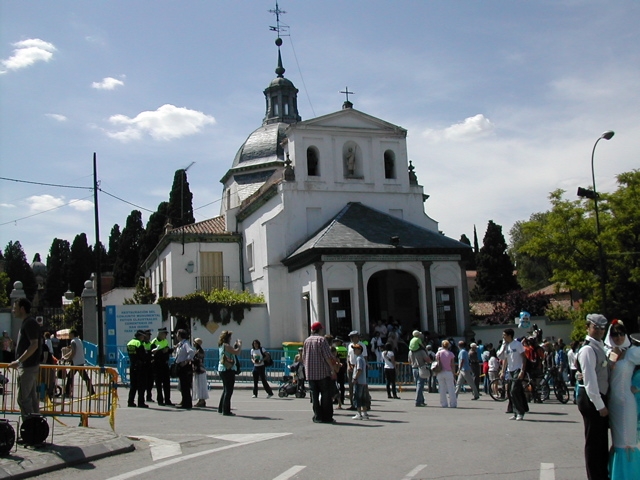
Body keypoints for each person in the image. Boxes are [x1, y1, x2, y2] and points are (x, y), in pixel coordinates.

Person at [576, 313, 609, 480]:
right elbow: (590, 380)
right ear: (587, 327)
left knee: (601, 440)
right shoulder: (588, 349)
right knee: (594, 441)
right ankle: (595, 476)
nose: (599, 331)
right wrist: (600, 405)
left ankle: (602, 474)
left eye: (602, 328)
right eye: (596, 327)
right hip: (592, 400)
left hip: (598, 397)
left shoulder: (601, 345)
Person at [604, 321, 639, 479]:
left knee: (626, 442)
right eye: (614, 334)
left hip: (626, 402)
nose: (618, 337)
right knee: (617, 441)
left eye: (621, 333)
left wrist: (636, 384)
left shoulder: (632, 352)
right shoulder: (606, 352)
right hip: (612, 403)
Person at [8, 298, 41, 418]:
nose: (13, 311)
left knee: (23, 399)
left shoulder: (29, 323)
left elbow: (34, 344)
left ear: (22, 309)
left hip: (27, 367)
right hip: (29, 366)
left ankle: (29, 427)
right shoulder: (28, 322)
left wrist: (18, 361)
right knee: (31, 399)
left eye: (15, 308)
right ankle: (35, 428)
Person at [302, 322, 336, 424]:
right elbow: (327, 357)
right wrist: (332, 370)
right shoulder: (322, 340)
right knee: (326, 395)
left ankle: (318, 416)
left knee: (315, 396)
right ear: (319, 330)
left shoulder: (306, 341)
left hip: (310, 373)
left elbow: (303, 357)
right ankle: (327, 417)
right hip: (322, 372)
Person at [498, 328, 528, 421]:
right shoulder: (507, 346)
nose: (503, 337)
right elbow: (505, 359)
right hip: (510, 370)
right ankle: (515, 412)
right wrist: (503, 371)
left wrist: (522, 371)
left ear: (509, 335)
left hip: (517, 369)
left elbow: (524, 357)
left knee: (514, 390)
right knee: (511, 392)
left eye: (504, 335)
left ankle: (520, 412)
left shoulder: (517, 344)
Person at [63, 328, 95, 398]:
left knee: (70, 377)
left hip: (75, 362)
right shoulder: (79, 340)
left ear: (72, 334)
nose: (69, 335)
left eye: (69, 334)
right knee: (85, 378)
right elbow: (73, 351)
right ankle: (92, 391)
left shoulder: (73, 341)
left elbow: (73, 352)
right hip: (80, 361)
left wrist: (69, 358)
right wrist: (66, 356)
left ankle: (67, 392)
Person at [217, 330, 241, 416]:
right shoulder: (226, 345)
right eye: (230, 337)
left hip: (223, 369)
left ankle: (221, 408)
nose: (231, 339)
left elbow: (232, 351)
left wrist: (235, 347)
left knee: (225, 389)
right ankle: (226, 410)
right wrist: (239, 345)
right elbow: (237, 352)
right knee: (229, 391)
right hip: (228, 369)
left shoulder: (221, 345)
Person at [151, 327, 173, 406]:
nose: (166, 335)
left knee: (167, 383)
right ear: (160, 334)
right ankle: (160, 400)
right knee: (159, 384)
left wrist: (170, 350)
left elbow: (168, 350)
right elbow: (153, 353)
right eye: (165, 334)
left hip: (165, 364)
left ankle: (167, 400)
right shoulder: (154, 342)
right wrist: (162, 351)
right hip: (157, 365)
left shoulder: (165, 341)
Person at [127, 330, 148, 408]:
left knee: (133, 385)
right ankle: (141, 402)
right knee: (141, 386)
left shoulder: (130, 343)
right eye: (143, 336)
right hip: (140, 367)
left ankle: (130, 401)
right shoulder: (139, 344)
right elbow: (143, 356)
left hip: (132, 365)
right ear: (140, 336)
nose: (143, 338)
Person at [347, 331, 368, 410]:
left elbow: (365, 357)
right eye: (351, 337)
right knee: (351, 387)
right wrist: (349, 365)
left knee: (362, 388)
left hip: (359, 367)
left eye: (353, 337)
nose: (352, 339)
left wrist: (364, 367)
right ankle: (353, 404)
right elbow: (348, 356)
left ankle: (366, 404)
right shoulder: (350, 345)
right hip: (351, 367)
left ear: (357, 337)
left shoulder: (362, 345)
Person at [174, 329, 195, 410]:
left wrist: (186, 361)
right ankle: (184, 401)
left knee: (185, 385)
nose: (176, 335)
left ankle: (187, 403)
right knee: (182, 385)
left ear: (180, 335)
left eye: (177, 334)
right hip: (180, 366)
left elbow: (191, 352)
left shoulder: (186, 343)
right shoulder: (181, 344)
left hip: (184, 367)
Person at [435, 339, 457, 408]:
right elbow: (452, 364)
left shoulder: (438, 353)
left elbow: (437, 362)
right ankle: (453, 403)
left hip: (440, 372)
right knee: (451, 388)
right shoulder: (451, 354)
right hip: (448, 372)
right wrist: (454, 373)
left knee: (442, 388)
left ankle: (444, 403)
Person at [351, 344, 370, 420]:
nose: (354, 350)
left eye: (355, 349)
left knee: (357, 398)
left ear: (359, 350)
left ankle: (359, 413)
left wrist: (355, 378)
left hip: (359, 381)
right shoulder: (362, 358)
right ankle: (364, 413)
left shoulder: (359, 359)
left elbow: (359, 370)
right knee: (362, 398)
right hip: (363, 381)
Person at [408, 339, 429, 407]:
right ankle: (417, 401)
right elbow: (427, 359)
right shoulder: (422, 351)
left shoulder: (410, 352)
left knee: (417, 384)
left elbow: (409, 361)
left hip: (414, 368)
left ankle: (421, 400)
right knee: (420, 385)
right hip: (421, 368)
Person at [191, 338, 208, 408]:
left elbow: (198, 361)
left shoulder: (199, 352)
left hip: (200, 370)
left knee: (200, 385)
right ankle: (200, 400)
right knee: (198, 385)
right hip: (198, 370)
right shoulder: (198, 351)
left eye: (194, 342)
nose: (193, 344)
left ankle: (201, 400)